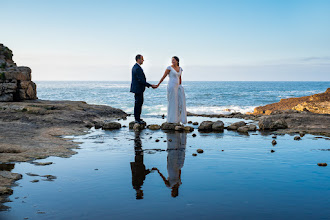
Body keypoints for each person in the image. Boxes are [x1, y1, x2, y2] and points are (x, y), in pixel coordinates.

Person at [154, 56, 187, 124]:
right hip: (171, 86)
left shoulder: (180, 68)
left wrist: (180, 86)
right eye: (172, 60)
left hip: (177, 87)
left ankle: (177, 119)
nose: (172, 61)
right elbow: (163, 76)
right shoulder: (169, 68)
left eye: (174, 60)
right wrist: (158, 84)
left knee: (178, 102)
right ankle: (171, 119)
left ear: (177, 61)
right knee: (172, 102)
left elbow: (180, 78)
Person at [130, 54, 157, 124]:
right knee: (138, 103)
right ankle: (137, 119)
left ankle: (137, 118)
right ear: (138, 59)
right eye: (142, 59)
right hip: (138, 88)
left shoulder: (136, 67)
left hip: (138, 88)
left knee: (138, 103)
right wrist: (150, 85)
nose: (143, 60)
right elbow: (140, 80)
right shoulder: (137, 68)